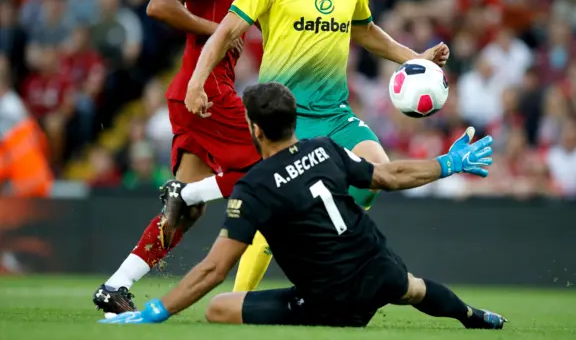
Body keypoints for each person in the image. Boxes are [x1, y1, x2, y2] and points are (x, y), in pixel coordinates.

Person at [169, 0, 450, 296]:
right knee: (279, 208)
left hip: (335, 112)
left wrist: (413, 59)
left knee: (375, 175)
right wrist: (196, 82)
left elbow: (365, 30)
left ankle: (335, 256)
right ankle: (238, 299)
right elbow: (226, 31)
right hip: (288, 119)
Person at [100, 82, 505, 329]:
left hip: (329, 300)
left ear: (255, 129)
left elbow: (213, 269)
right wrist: (449, 164)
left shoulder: (254, 186)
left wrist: (156, 310)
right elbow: (391, 176)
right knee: (415, 289)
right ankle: (472, 316)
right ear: (295, 121)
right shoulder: (327, 148)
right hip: (381, 271)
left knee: (218, 309)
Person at [93, 0, 262, 314]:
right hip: (205, 91)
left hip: (197, 95)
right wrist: (215, 30)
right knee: (265, 167)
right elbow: (160, 4)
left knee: (188, 211)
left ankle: (116, 285)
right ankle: (183, 194)